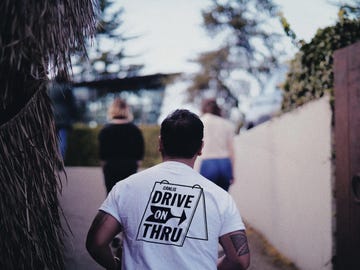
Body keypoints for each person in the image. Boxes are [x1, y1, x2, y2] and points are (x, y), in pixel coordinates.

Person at [86, 109, 250, 270]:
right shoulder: (220, 197)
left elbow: (96, 243)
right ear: (201, 148)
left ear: (160, 143)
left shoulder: (126, 187)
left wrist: (117, 266)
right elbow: (240, 260)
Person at [98, 98, 145, 194]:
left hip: (110, 166)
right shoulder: (135, 130)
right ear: (127, 110)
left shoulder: (105, 130)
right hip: (130, 166)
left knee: (111, 195)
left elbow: (102, 153)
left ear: (111, 110)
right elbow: (140, 151)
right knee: (128, 195)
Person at [199, 98, 236, 191]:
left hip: (208, 163)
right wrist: (233, 172)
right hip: (225, 163)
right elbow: (231, 150)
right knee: (222, 200)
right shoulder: (227, 124)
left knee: (206, 200)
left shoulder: (200, 122)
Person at [48, 72, 77, 160]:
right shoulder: (67, 88)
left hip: (52, 117)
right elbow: (72, 104)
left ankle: (51, 159)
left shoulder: (50, 88)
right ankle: (60, 160)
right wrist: (74, 116)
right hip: (64, 118)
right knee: (62, 140)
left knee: (52, 140)